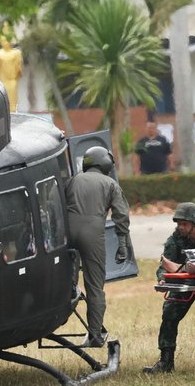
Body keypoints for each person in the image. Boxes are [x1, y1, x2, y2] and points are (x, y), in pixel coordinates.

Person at [66, 146, 131, 347]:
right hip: (93, 232)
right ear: (105, 162)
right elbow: (121, 216)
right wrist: (122, 245)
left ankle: (67, 303)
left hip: (67, 230)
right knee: (95, 286)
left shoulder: (73, 180)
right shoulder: (110, 184)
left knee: (67, 280)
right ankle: (94, 333)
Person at [144, 203, 195, 373]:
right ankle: (166, 361)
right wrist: (162, 279)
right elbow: (164, 265)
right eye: (178, 224)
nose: (180, 227)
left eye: (184, 224)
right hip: (183, 285)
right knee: (169, 315)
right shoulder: (174, 240)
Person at [0, 29, 23, 113]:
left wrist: (16, 75)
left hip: (12, 80)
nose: (4, 43)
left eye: (6, 40)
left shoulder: (16, 53)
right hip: (2, 81)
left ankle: (12, 112)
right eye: (2, 41)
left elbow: (18, 68)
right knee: (3, 100)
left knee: (12, 103)